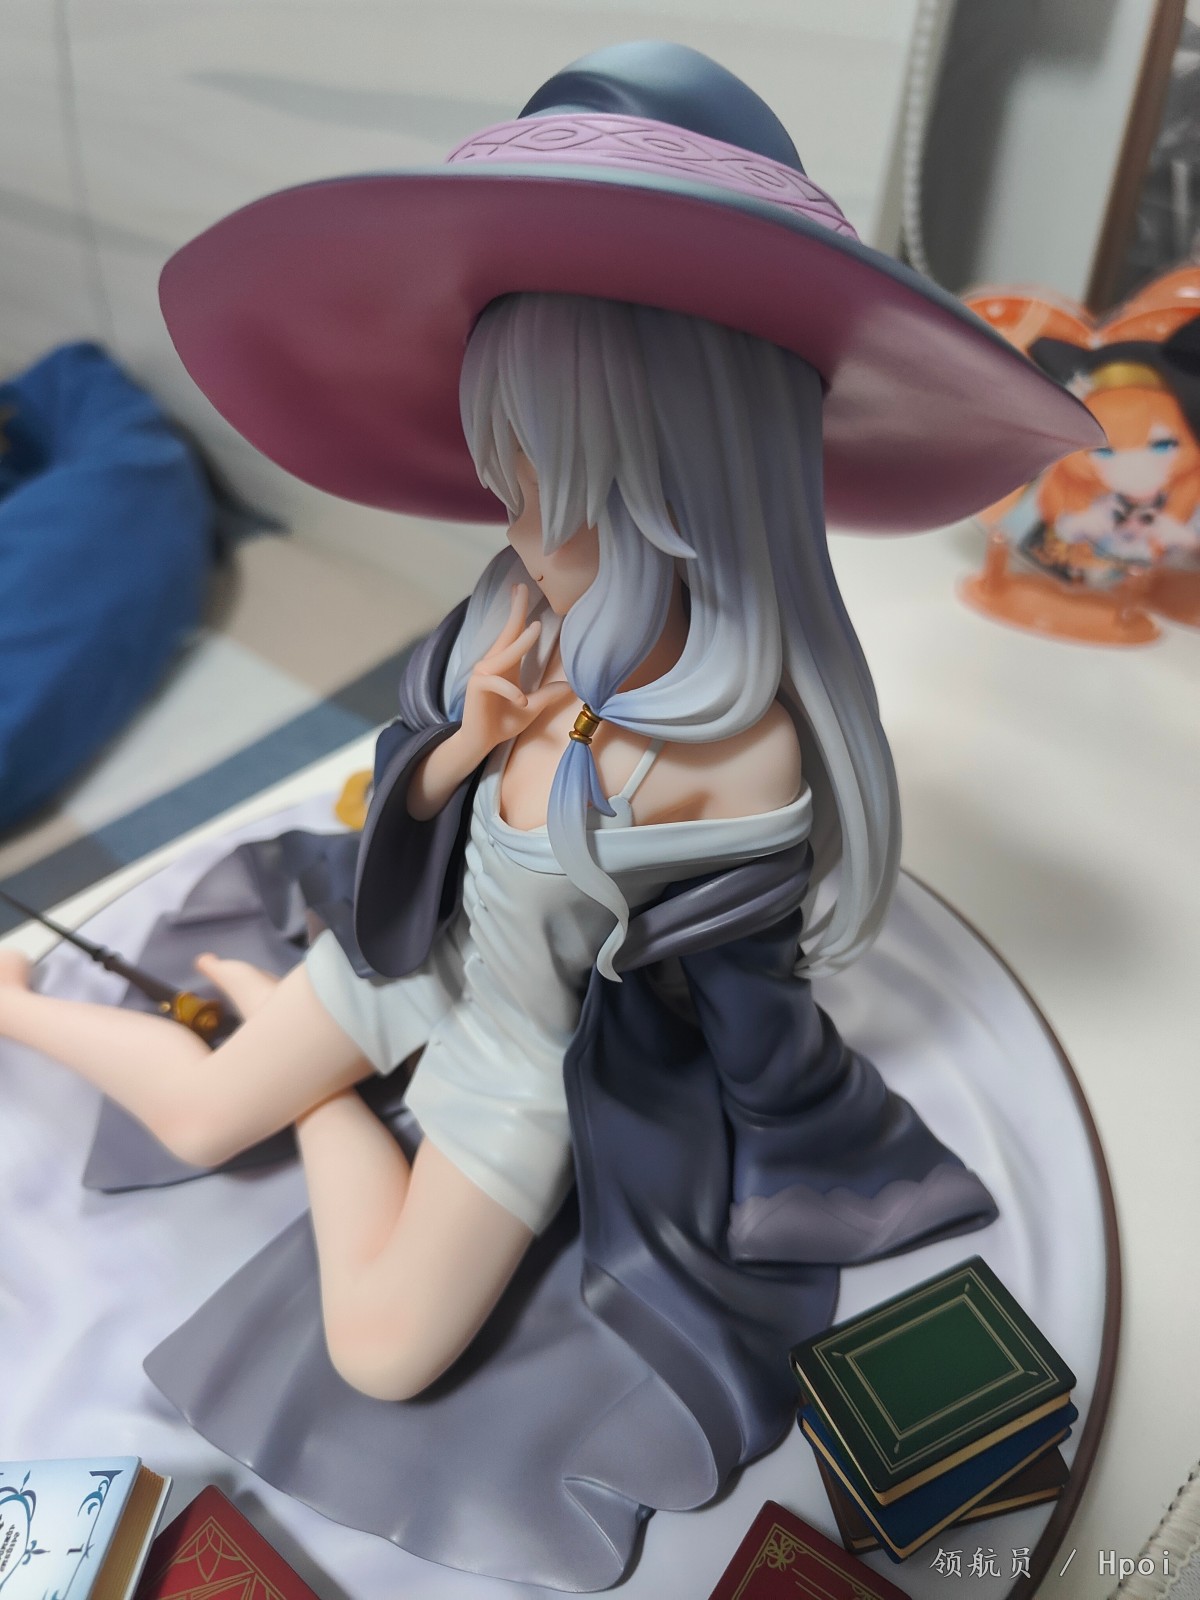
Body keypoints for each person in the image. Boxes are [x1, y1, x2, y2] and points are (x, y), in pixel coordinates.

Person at [0, 42, 1099, 1592]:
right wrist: (461, 749)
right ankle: (36, 1000)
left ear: (682, 475)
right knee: (191, 1116)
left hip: (521, 1071)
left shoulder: (739, 750)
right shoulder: (520, 608)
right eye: (506, 474)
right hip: (406, 963)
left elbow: (733, 994)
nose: (513, 520)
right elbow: (409, 809)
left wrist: (793, 1150)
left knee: (384, 1349)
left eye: (550, 482)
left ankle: (315, 1095)